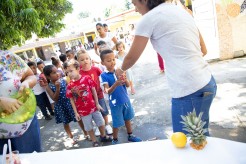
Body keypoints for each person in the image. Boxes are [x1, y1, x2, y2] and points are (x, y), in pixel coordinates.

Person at [116, 0, 217, 136]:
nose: (135, 9)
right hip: (207, 82)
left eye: (135, 4)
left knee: (186, 142)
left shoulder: (148, 19)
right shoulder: (182, 11)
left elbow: (130, 58)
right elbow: (203, 50)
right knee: (200, 137)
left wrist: (120, 69)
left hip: (189, 90)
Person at [0, 50, 41, 154]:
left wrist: (26, 83)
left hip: (24, 124)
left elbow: (30, 76)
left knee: (33, 160)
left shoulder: (7, 56)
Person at [64, 59, 112, 147]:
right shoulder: (70, 86)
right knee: (89, 127)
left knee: (101, 123)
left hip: (93, 107)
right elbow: (71, 99)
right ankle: (94, 141)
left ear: (78, 69)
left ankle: (103, 136)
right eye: (67, 72)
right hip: (83, 112)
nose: (69, 74)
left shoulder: (86, 78)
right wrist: (76, 113)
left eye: (71, 71)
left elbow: (93, 90)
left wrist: (97, 103)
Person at [100, 49, 142, 144]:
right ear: (103, 63)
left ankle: (130, 135)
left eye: (113, 59)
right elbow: (107, 91)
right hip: (115, 103)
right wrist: (116, 84)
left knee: (127, 119)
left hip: (125, 100)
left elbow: (127, 85)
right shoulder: (103, 75)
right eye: (109, 60)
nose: (112, 62)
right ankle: (115, 140)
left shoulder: (119, 70)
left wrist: (124, 78)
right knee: (116, 123)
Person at [43, 65, 88, 144]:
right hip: (60, 106)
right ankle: (71, 137)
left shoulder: (64, 80)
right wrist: (57, 88)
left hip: (70, 103)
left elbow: (71, 90)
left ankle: (86, 133)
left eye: (57, 71)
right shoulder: (48, 87)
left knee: (78, 118)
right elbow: (54, 98)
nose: (57, 74)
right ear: (48, 76)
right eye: (54, 73)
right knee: (65, 122)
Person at [77, 50, 113, 136]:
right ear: (78, 62)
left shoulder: (95, 69)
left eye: (86, 58)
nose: (85, 61)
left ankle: (107, 125)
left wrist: (105, 87)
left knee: (103, 110)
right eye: (82, 60)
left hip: (99, 95)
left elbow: (103, 78)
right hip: (88, 98)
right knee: (95, 113)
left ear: (90, 59)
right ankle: (99, 126)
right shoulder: (79, 73)